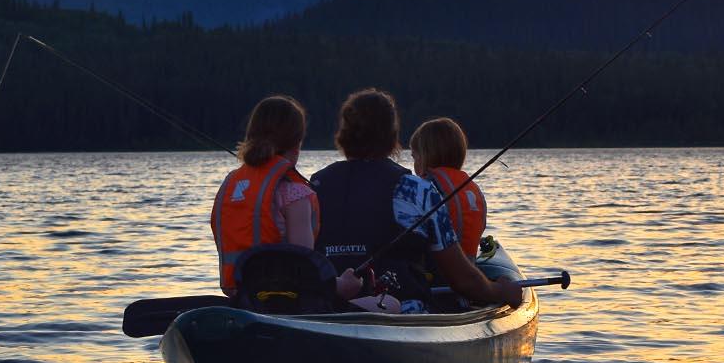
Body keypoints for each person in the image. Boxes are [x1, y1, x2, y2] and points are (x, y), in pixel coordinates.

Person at [310, 89, 528, 310]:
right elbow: (463, 280)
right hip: (400, 310)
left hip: (326, 307)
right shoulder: (414, 189)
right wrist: (501, 291)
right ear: (392, 135)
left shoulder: (315, 185)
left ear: (343, 134)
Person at [209, 95, 319, 296]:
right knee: (387, 302)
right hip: (287, 299)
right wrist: (340, 283)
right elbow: (305, 269)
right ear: (296, 143)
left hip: (240, 294)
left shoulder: (231, 186)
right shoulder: (295, 194)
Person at [409, 117, 487, 260]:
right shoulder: (473, 189)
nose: (414, 165)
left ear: (426, 156)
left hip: (435, 272)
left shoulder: (426, 188)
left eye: (414, 157)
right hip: (468, 268)